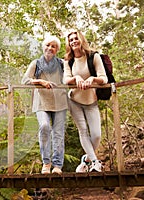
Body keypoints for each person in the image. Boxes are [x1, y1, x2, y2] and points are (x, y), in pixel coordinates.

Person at [21, 36, 68, 174]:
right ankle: (46, 163)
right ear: (43, 47)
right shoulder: (36, 63)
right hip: (41, 102)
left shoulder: (62, 63)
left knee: (58, 133)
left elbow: (68, 78)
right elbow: (25, 80)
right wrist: (40, 82)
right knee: (44, 126)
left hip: (60, 102)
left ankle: (58, 165)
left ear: (57, 50)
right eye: (48, 45)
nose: (50, 48)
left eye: (54, 46)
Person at [63, 31, 108, 172]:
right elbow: (65, 80)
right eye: (71, 40)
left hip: (91, 100)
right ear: (68, 43)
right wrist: (76, 78)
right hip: (74, 100)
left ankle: (86, 160)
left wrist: (92, 79)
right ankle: (95, 163)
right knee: (83, 131)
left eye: (76, 38)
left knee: (96, 135)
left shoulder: (93, 56)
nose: (74, 41)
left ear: (81, 39)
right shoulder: (68, 60)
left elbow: (104, 78)